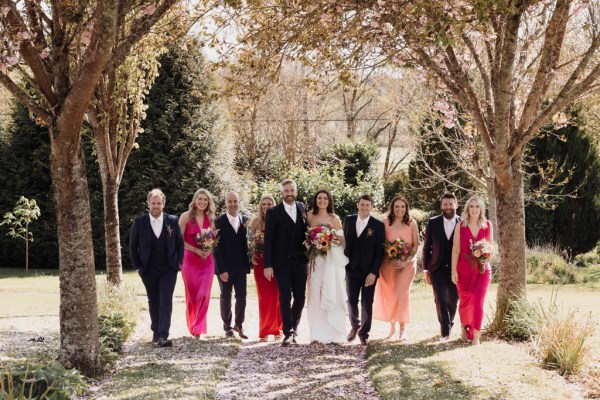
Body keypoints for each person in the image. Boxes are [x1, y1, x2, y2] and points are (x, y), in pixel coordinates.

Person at [130, 188, 184, 348]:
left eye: (158, 203)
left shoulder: (172, 221)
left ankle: (163, 334)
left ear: (163, 204)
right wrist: (138, 267)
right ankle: (155, 332)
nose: (156, 206)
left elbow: (179, 244)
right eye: (153, 203)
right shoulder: (139, 222)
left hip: (169, 268)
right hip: (148, 269)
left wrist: (178, 262)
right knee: (153, 300)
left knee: (166, 299)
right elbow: (133, 246)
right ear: (148, 204)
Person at [263, 179, 308, 346]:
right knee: (284, 297)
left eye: (292, 190)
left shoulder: (302, 208)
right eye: (286, 191)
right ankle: (288, 332)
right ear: (281, 193)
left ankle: (294, 328)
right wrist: (267, 265)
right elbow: (268, 241)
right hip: (281, 263)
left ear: (295, 192)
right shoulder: (273, 212)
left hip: (300, 262)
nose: (289, 193)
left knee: (300, 298)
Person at [306, 189, 349, 344]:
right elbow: (306, 238)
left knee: (330, 292)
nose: (322, 201)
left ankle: (331, 332)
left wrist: (328, 240)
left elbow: (341, 240)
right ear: (315, 200)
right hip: (316, 260)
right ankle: (315, 334)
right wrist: (315, 242)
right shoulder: (309, 217)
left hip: (330, 261)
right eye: (319, 198)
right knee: (315, 294)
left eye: (325, 198)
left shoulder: (334, 218)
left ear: (329, 200)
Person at [373, 196, 419, 341]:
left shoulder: (412, 223)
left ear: (407, 208)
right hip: (388, 264)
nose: (400, 209)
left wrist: (405, 262)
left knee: (402, 293)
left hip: (407, 264)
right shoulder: (385, 223)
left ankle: (403, 329)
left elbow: (416, 245)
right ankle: (392, 329)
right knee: (390, 293)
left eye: (402, 207)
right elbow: (380, 243)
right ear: (392, 208)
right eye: (397, 206)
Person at [343, 194, 385, 346]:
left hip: (369, 272)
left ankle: (364, 333)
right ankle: (355, 325)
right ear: (357, 205)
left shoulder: (378, 225)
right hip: (351, 269)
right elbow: (344, 242)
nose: (364, 207)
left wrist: (373, 272)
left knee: (367, 303)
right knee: (351, 300)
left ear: (371, 207)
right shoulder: (348, 220)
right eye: (362, 204)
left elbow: (380, 252)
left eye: (368, 205)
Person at [451, 195, 493, 345]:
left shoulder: (487, 225)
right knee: (465, 300)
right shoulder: (460, 226)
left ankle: (476, 334)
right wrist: (453, 271)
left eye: (477, 206)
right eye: (471, 206)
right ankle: (464, 326)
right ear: (467, 209)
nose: (474, 209)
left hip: (482, 270)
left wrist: (484, 257)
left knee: (478, 299)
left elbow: (490, 248)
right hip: (463, 269)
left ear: (481, 209)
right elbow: (456, 250)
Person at [422, 192, 461, 341]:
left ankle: (449, 323)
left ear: (456, 205)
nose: (448, 207)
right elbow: (426, 248)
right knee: (441, 299)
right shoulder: (433, 222)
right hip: (436, 268)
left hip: (455, 269)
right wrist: (425, 270)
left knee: (453, 299)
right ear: (441, 206)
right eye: (445, 204)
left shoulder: (462, 223)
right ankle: (445, 332)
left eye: (451, 204)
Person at [178, 188, 216, 339]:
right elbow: (179, 240)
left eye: (205, 200)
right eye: (200, 199)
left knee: (204, 294)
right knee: (192, 295)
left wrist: (209, 249)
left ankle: (199, 328)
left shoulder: (211, 218)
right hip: (189, 260)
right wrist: (196, 250)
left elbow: (212, 239)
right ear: (195, 200)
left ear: (208, 203)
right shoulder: (185, 217)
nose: (202, 202)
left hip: (207, 261)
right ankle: (192, 325)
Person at [214, 191, 251, 339]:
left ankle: (239, 325)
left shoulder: (245, 220)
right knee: (226, 296)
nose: (233, 204)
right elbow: (216, 248)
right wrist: (221, 269)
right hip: (225, 268)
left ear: (238, 202)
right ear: (225, 203)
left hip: (241, 266)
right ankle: (227, 327)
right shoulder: (218, 222)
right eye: (230, 201)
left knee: (242, 296)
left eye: (235, 201)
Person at [249, 194, 283, 341]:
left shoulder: (279, 221)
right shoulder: (255, 222)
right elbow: (250, 243)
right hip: (261, 263)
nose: (267, 207)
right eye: (264, 204)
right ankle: (264, 330)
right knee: (264, 297)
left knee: (277, 296)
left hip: (277, 262)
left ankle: (277, 330)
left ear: (273, 206)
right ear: (260, 206)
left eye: (270, 204)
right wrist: (252, 255)